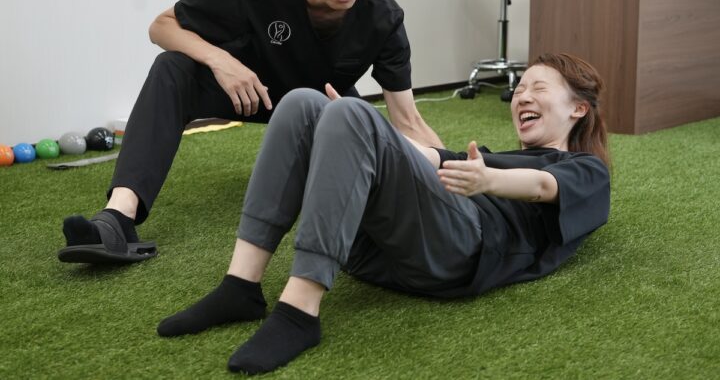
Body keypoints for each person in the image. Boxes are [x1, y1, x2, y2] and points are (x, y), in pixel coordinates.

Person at [156, 52, 611, 375]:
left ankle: (299, 312)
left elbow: (541, 187)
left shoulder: (585, 170)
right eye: (519, 88)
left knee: (352, 114)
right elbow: (423, 158)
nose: (522, 96)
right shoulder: (491, 155)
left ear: (578, 107)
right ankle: (240, 285)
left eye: (538, 88)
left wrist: (488, 180)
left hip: (459, 254)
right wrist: (344, 124)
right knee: (304, 104)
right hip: (380, 254)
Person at [57, 0, 443, 265]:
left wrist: (452, 177)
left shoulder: (382, 17)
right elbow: (162, 26)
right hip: (250, 92)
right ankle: (117, 218)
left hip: (322, 112)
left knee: (366, 134)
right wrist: (221, 60)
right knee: (172, 67)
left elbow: (407, 120)